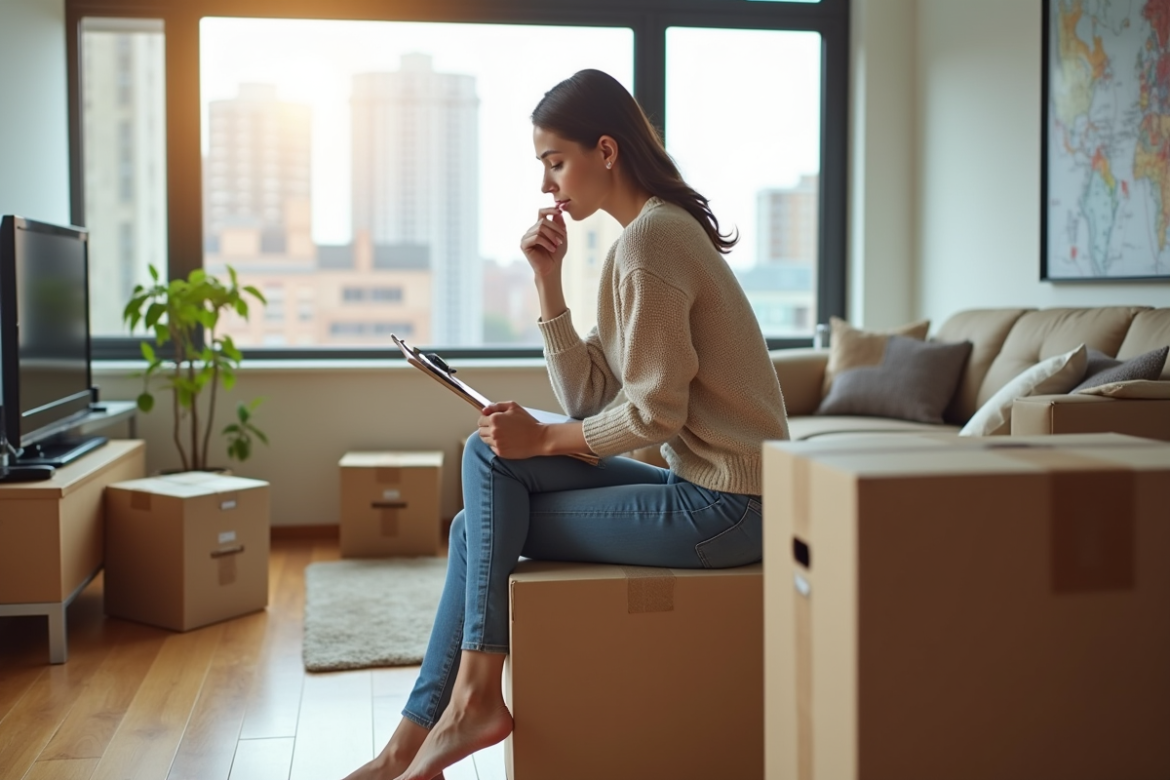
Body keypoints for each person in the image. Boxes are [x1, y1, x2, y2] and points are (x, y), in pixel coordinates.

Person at [342, 68, 789, 780]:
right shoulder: (640, 242)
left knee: (488, 473)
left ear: (604, 151)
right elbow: (593, 399)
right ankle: (425, 732)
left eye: (555, 163)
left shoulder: (651, 245)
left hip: (730, 509)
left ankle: (462, 710)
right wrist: (547, 283)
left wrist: (543, 440)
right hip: (716, 493)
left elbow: (652, 415)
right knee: (483, 480)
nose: (548, 186)